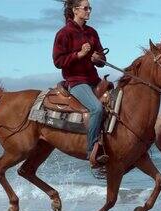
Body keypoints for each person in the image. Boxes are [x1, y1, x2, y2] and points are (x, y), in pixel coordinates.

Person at [52, 0, 108, 167]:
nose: (89, 11)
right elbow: (58, 61)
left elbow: (102, 59)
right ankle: (92, 151)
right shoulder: (64, 33)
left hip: (94, 80)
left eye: (90, 8)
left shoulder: (92, 32)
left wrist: (98, 59)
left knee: (118, 102)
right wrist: (79, 54)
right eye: (86, 8)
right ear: (75, 10)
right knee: (96, 109)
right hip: (76, 81)